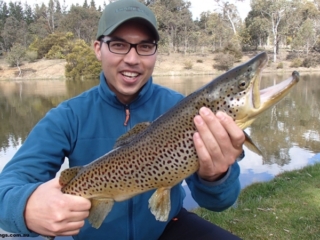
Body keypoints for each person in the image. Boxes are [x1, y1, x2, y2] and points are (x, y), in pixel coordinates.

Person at [0, 0, 245, 239]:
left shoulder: (181, 109)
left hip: (166, 228)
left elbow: (219, 202)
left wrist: (215, 177)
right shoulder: (68, 116)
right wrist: (26, 207)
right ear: (98, 48)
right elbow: (6, 189)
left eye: (145, 46)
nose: (132, 59)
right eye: (118, 45)